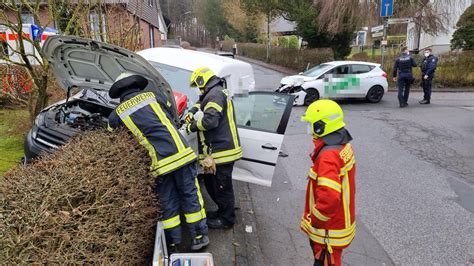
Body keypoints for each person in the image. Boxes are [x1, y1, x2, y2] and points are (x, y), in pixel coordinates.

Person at [107, 73, 209, 253]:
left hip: (159, 164)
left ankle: (172, 244)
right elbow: (173, 117)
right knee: (190, 195)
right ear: (136, 85)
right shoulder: (155, 97)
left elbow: (113, 140)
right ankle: (198, 237)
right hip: (181, 154)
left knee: (167, 202)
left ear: (119, 92)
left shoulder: (116, 115)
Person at [300, 100, 356, 266]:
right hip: (339, 221)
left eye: (311, 125)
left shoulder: (328, 155)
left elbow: (329, 197)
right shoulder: (342, 145)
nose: (310, 130)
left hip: (328, 231)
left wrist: (315, 220)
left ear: (320, 126)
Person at [185, 66, 242, 229]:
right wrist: (192, 111)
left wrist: (192, 126)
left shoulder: (215, 94)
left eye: (198, 86)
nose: (198, 90)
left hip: (222, 151)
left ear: (202, 81)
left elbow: (211, 121)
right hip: (219, 150)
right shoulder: (215, 92)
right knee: (212, 184)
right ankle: (222, 211)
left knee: (222, 187)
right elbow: (202, 102)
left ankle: (226, 220)